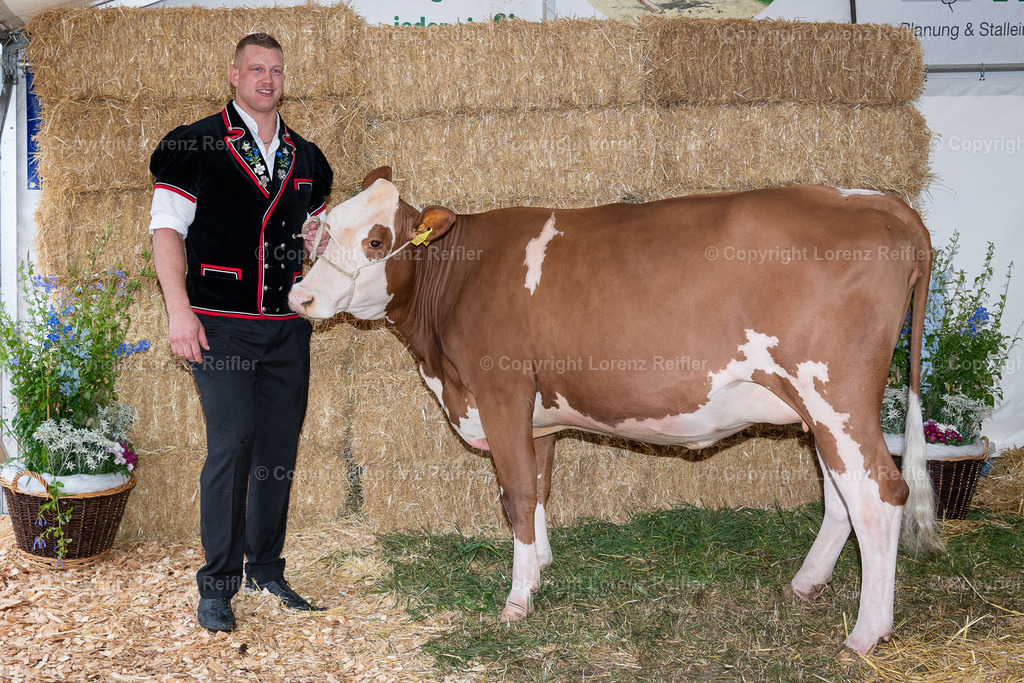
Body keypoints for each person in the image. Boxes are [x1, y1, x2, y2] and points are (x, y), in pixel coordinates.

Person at [148, 32, 334, 633]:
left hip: (287, 328)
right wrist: (180, 310)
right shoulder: (192, 144)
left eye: (276, 71)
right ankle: (218, 585)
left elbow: (315, 238)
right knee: (232, 446)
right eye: (256, 69)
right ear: (233, 75)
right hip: (220, 326)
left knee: (278, 449)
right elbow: (167, 233)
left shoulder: (308, 158)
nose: (267, 80)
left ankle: (267, 567)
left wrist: (319, 247)